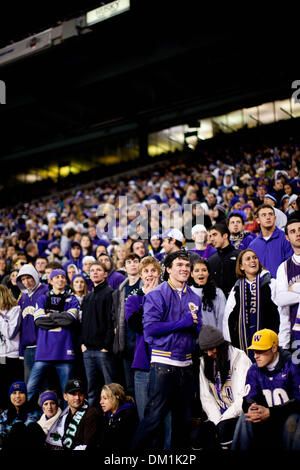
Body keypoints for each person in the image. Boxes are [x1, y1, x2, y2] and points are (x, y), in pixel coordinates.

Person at [131, 251, 202, 452]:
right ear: (168, 269)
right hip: (164, 364)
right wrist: (184, 323)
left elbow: (198, 329)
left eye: (187, 265)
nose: (184, 269)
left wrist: (195, 327)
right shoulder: (157, 294)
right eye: (179, 265)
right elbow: (150, 329)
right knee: (154, 418)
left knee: (182, 421)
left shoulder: (194, 297)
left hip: (187, 365)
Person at [231, 329, 300, 450]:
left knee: (293, 421)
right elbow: (248, 398)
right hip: (266, 420)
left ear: (274, 348)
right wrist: (252, 408)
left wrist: (272, 412)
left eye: (260, 351)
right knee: (245, 418)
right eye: (254, 351)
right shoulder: (254, 369)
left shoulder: (293, 365)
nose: (255, 356)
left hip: (288, 417)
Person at [191, 325, 252, 450]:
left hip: (237, 415)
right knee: (196, 436)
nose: (209, 353)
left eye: (211, 349)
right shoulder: (204, 362)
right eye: (205, 350)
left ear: (220, 345)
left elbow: (242, 398)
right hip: (216, 416)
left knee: (224, 430)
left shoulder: (240, 358)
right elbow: (206, 397)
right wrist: (217, 421)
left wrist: (223, 420)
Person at [26, 269, 80, 402]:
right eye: (56, 277)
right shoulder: (43, 298)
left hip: (64, 353)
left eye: (63, 277)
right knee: (30, 389)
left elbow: (70, 319)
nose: (60, 279)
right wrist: (61, 317)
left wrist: (51, 315)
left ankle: (67, 419)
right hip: (44, 352)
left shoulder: (72, 299)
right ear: (50, 281)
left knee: (68, 393)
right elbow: (39, 321)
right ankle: (25, 416)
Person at [223, 249, 283, 361]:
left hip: (269, 342)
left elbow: (281, 312)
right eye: (248, 259)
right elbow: (228, 317)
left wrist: (281, 339)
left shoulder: (271, 283)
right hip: (243, 345)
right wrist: (230, 343)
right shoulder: (237, 288)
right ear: (241, 266)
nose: (253, 261)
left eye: (255, 257)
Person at [80, 261, 117, 406]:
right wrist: (83, 344)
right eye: (92, 270)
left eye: (98, 270)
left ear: (105, 274)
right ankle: (93, 419)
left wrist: (106, 346)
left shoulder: (110, 294)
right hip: (88, 350)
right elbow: (83, 324)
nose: (95, 272)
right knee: (92, 389)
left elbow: (111, 322)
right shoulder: (87, 297)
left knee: (109, 388)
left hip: (103, 350)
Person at [112, 253, 141, 397]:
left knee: (142, 380)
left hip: (141, 337)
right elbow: (116, 314)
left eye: (136, 261)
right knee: (129, 384)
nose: (133, 264)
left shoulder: (145, 284)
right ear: (124, 267)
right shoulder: (121, 289)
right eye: (129, 262)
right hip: (126, 339)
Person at [45, 379, 102, 450]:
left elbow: (88, 445)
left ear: (84, 396)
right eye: (73, 394)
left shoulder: (92, 414)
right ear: (65, 397)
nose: (77, 397)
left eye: (80, 394)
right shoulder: (64, 416)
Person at [16, 264, 50, 382]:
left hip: (42, 347)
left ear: (35, 276)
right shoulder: (23, 297)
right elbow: (20, 326)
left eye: (29, 277)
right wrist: (21, 350)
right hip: (27, 349)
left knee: (45, 384)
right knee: (29, 386)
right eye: (23, 279)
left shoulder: (46, 291)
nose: (26, 282)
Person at [248, 204, 293, 278]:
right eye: (264, 215)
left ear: (274, 218)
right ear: (258, 220)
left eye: (270, 214)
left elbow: (291, 266)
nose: (268, 217)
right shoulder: (252, 245)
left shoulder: (286, 238)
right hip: (261, 286)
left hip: (283, 285)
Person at [275, 218, 300, 350]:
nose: (298, 234)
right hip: (296, 336)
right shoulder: (284, 267)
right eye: (293, 231)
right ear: (287, 237)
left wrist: (294, 288)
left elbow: (287, 297)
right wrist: (283, 343)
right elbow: (281, 300)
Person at [0, 381, 43, 450]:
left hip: (30, 446)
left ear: (26, 395)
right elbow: (1, 433)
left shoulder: (34, 411)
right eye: (14, 393)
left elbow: (27, 430)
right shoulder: (5, 414)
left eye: (21, 392)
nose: (17, 396)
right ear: (10, 396)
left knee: (19, 427)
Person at [0, 285, 23, 410]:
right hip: (1, 356)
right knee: (1, 390)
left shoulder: (15, 310)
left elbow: (10, 333)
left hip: (13, 356)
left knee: (13, 390)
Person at [99, 383, 139, 453]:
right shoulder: (106, 416)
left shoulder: (128, 416)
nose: (101, 402)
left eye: (105, 398)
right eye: (101, 398)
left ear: (116, 397)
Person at [190, 256, 226, 332]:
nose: (200, 273)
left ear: (208, 273)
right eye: (196, 271)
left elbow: (222, 318)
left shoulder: (217, 292)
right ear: (191, 274)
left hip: (212, 338)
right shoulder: (187, 292)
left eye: (204, 270)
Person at [207, 223, 240, 298]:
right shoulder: (211, 260)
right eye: (210, 236)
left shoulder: (240, 255)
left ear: (225, 236)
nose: (211, 239)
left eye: (215, 234)